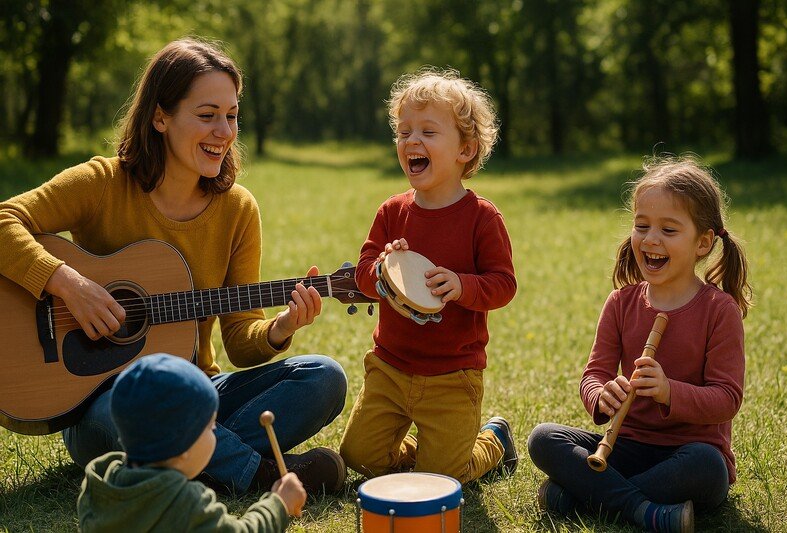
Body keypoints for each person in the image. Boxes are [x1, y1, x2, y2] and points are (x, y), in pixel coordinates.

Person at [0, 38, 346, 495]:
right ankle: (259, 475)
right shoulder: (102, 183)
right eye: (207, 115)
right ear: (160, 117)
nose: (224, 131)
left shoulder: (237, 209)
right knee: (127, 411)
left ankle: (188, 461)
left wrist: (279, 329)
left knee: (324, 377)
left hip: (201, 394)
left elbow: (241, 343)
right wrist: (67, 283)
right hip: (101, 403)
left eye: (232, 115)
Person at [527, 156, 752, 533]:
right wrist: (601, 395)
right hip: (625, 447)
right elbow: (594, 374)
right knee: (543, 438)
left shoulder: (718, 310)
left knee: (708, 468)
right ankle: (642, 509)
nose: (650, 239)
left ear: (703, 242)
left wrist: (668, 392)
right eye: (642, 226)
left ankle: (585, 496)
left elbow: (727, 398)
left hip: (688, 452)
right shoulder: (621, 303)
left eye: (668, 229)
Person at [338, 68, 518, 484]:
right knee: (360, 458)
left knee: (445, 480)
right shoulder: (391, 212)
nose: (411, 141)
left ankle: (492, 441)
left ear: (466, 149)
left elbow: (504, 284)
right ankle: (433, 455)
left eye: (427, 132)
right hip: (390, 366)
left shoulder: (481, 218)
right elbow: (364, 275)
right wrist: (382, 269)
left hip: (453, 376)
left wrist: (462, 285)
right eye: (403, 133)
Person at [78, 354, 306, 531]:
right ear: (183, 446)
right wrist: (279, 504)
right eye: (211, 426)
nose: (217, 432)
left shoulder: (99, 485)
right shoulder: (185, 504)